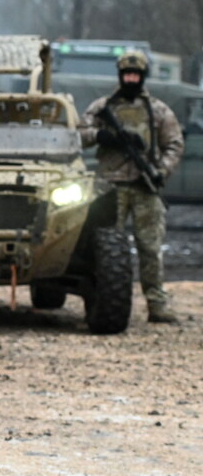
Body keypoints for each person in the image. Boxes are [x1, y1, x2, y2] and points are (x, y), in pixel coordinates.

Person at [80, 49, 184, 323]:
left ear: (143, 76)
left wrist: (162, 170)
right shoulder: (104, 107)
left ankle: (156, 303)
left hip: (143, 186)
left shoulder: (158, 110)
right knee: (100, 249)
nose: (131, 79)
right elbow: (77, 134)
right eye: (127, 74)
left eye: (136, 74)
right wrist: (102, 135)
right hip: (109, 188)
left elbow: (174, 144)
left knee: (150, 247)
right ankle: (98, 303)